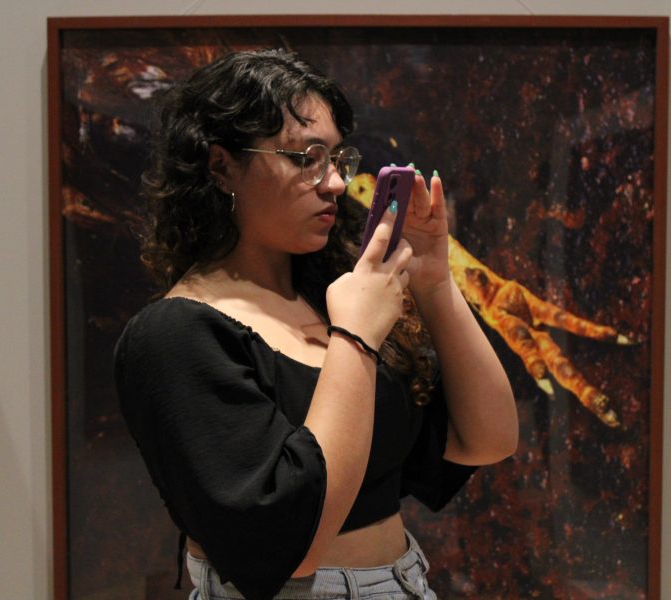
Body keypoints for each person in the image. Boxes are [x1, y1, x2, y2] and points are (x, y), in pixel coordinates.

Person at [113, 49, 518, 600]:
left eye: (336, 159)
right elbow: (290, 545)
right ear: (221, 166)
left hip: (405, 581)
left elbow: (488, 440)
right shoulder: (175, 335)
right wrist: (355, 338)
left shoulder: (329, 296)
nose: (333, 183)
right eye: (305, 158)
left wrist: (433, 279)